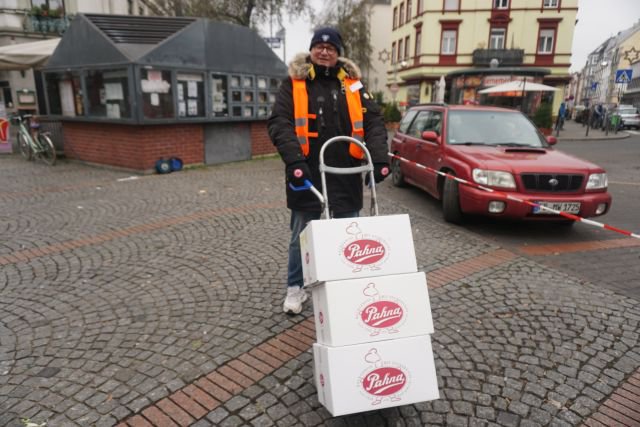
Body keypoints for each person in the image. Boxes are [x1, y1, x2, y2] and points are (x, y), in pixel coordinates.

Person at [268, 27, 390, 314]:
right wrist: (294, 162)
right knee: (302, 235)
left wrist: (380, 159)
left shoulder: (353, 85)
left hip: (345, 173)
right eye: (319, 47)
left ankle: (345, 286)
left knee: (349, 234)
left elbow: (373, 121)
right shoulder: (293, 84)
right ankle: (295, 288)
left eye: (331, 48)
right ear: (311, 51)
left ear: (338, 53)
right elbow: (279, 122)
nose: (325, 51)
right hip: (307, 174)